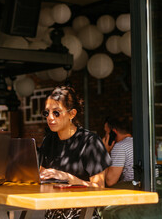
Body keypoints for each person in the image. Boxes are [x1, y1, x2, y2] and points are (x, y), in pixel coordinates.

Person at [38, 86, 111, 219]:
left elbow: (99, 188)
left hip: (83, 214)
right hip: (53, 212)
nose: (49, 117)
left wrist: (68, 178)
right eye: (46, 113)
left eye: (56, 112)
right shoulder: (49, 140)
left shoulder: (90, 142)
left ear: (72, 114)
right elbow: (41, 176)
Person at [102, 116, 134, 188]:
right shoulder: (139, 142)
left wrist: (104, 153)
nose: (105, 136)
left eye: (106, 132)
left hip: (132, 190)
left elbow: (110, 182)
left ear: (113, 133)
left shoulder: (120, 146)